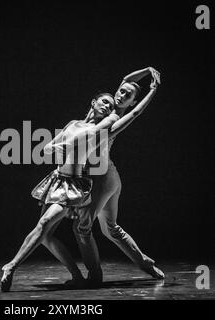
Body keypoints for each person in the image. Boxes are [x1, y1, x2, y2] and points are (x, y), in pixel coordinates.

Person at [0, 93, 119, 292]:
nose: (108, 106)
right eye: (104, 101)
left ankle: (11, 266)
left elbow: (113, 120)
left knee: (44, 223)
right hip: (57, 180)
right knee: (45, 236)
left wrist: (119, 109)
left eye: (111, 105)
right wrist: (56, 147)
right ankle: (76, 277)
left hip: (73, 186)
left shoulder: (101, 128)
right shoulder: (73, 124)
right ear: (93, 102)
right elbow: (46, 148)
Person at [72, 67, 165, 286]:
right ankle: (145, 264)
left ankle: (94, 275)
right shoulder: (109, 106)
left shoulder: (115, 119)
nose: (121, 95)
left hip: (102, 178)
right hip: (108, 176)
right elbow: (125, 79)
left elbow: (135, 113)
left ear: (132, 101)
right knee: (111, 228)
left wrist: (153, 90)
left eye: (127, 95)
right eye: (121, 91)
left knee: (82, 227)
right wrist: (148, 70)